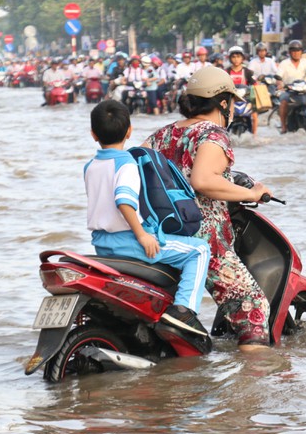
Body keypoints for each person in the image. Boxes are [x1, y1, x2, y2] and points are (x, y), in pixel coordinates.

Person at [143, 66, 272, 351]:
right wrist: (251, 192)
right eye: (233, 103)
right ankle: (254, 389)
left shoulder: (162, 134)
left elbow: (138, 169)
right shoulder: (212, 134)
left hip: (160, 235)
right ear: (223, 103)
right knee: (254, 311)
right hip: (204, 239)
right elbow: (203, 180)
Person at [85, 99, 211, 335]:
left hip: (102, 244)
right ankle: (183, 312)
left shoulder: (91, 165)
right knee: (200, 250)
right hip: (130, 242)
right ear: (129, 130)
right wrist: (142, 235)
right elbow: (124, 201)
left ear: (93, 134)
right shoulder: (126, 164)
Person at [277, 40, 306, 134]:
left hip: (304, 90)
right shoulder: (284, 63)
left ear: (301, 52)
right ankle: (283, 126)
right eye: (293, 51)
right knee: (283, 102)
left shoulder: (305, 62)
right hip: (288, 91)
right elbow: (278, 77)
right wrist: (280, 83)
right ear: (290, 52)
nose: (296, 53)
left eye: (298, 50)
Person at [225, 45, 258, 135]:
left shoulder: (247, 72)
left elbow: (255, 83)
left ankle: (254, 135)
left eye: (238, 57)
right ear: (230, 58)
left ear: (242, 58)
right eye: (234, 57)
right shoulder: (226, 72)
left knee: (254, 116)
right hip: (230, 100)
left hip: (245, 99)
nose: (236, 59)